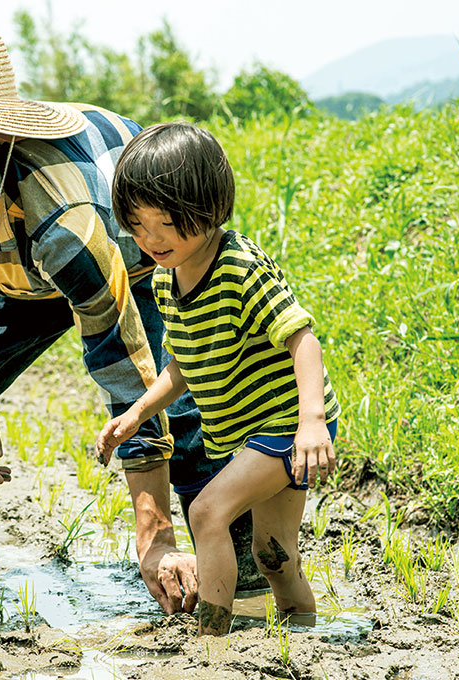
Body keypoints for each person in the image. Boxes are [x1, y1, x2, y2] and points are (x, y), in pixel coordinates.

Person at [0, 20, 266, 615]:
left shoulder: (65, 218)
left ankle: (240, 575)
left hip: (134, 260)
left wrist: (152, 532)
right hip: (18, 275)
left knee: (185, 407)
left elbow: (123, 365)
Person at [96, 122, 340, 635]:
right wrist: (139, 411)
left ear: (208, 208)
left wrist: (313, 424)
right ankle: (307, 632)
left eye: (164, 222)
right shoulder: (165, 279)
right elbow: (184, 363)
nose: (150, 239)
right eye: (137, 225)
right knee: (272, 552)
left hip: (290, 422)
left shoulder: (240, 266)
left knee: (207, 511)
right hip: (249, 432)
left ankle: (213, 639)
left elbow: (303, 340)